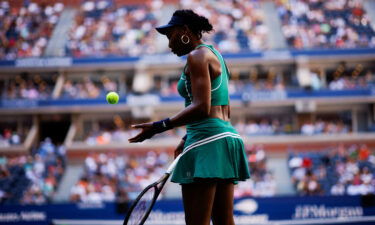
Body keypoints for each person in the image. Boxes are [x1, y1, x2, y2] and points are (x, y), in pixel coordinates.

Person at [129, 9, 250, 225]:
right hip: (226, 138)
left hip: (207, 141)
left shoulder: (196, 56)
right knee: (224, 221)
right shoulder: (215, 55)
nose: (169, 44)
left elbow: (202, 108)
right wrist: (186, 139)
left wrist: (159, 126)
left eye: (170, 36)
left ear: (185, 31)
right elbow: (221, 107)